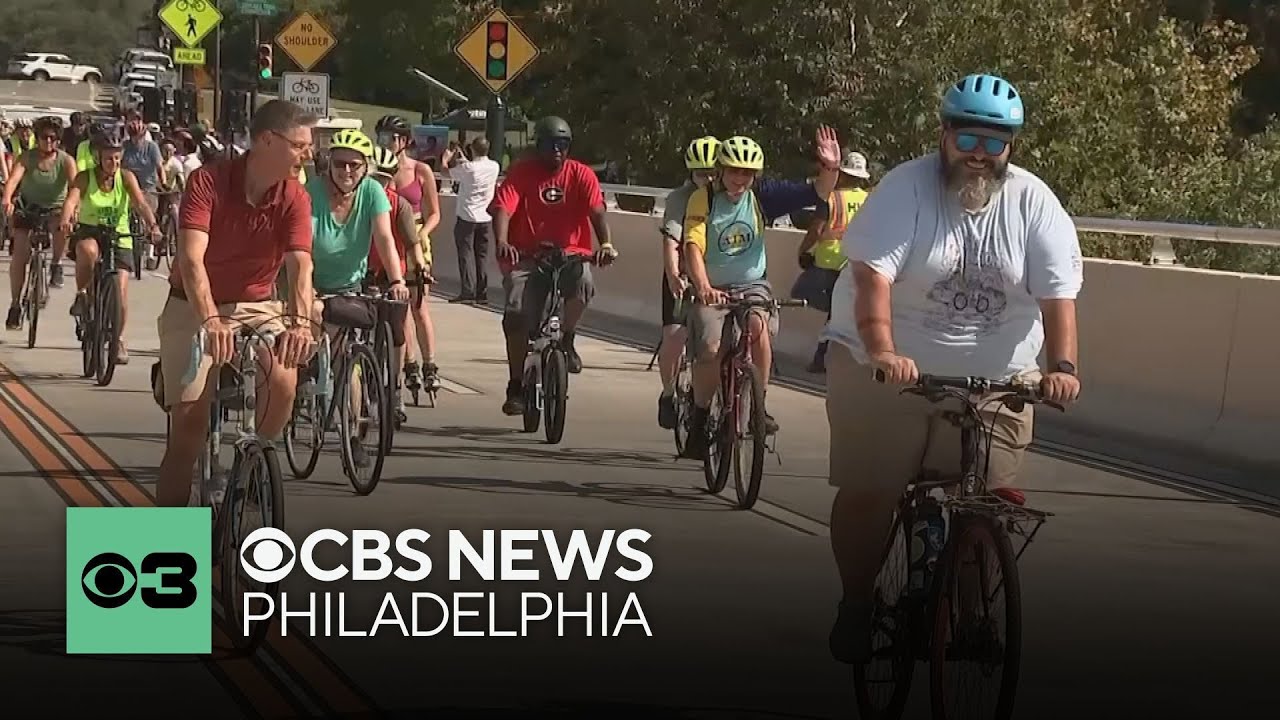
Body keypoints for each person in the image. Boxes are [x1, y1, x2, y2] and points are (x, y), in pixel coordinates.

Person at [821, 73, 1084, 664]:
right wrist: (883, 350)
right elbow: (872, 278)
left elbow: (1058, 295)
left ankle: (971, 611)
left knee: (987, 500)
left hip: (997, 373)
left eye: (995, 144)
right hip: (888, 366)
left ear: (1011, 146)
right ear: (943, 135)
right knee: (872, 490)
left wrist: (1062, 366)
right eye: (967, 140)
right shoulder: (905, 190)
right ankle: (858, 601)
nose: (979, 157)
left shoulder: (1033, 201)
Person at [154, 100, 319, 508]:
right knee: (187, 430)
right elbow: (191, 260)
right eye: (299, 145)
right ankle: (162, 550)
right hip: (194, 305)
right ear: (266, 141)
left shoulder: (295, 196)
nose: (309, 154)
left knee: (283, 378)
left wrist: (299, 323)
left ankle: (251, 463)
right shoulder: (208, 182)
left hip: (257, 304)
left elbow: (301, 267)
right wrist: (210, 319)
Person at [679, 128, 842, 458]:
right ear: (721, 171)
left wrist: (831, 167)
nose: (741, 179)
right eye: (735, 172)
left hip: (752, 283)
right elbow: (693, 244)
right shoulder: (704, 198)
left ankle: (758, 407)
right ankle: (699, 418)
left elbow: (820, 191)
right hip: (713, 286)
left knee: (759, 330)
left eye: (748, 173)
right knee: (711, 347)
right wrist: (704, 287)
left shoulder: (763, 195)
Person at [490, 115, 618, 416]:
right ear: (539, 146)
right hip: (528, 255)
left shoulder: (581, 174)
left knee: (584, 282)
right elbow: (502, 209)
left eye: (563, 145)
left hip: (571, 253)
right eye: (550, 145)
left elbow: (597, 212)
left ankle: (569, 337)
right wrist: (502, 241)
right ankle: (516, 384)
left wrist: (606, 245)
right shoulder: (522, 173)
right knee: (516, 314)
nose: (557, 151)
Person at [307, 129, 409, 467]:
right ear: (329, 165)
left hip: (349, 285)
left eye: (354, 165)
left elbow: (384, 238)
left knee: (347, 365)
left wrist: (396, 280)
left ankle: (351, 433)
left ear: (365, 167)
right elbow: (301, 247)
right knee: (307, 344)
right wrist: (304, 289)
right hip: (311, 282)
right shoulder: (312, 193)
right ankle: (301, 390)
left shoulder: (373, 192)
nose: (346, 171)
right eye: (340, 164)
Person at [60, 128, 162, 364]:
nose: (113, 162)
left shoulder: (126, 178)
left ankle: (118, 340)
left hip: (118, 234)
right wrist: (65, 220)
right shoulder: (85, 177)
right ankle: (83, 294)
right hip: (90, 230)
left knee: (121, 290)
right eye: (108, 158)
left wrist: (153, 225)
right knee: (88, 251)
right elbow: (71, 200)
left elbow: (140, 203)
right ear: (98, 157)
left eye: (117, 157)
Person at [366, 146, 437, 423]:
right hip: (366, 270)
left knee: (398, 329)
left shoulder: (399, 205)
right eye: (375, 179)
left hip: (395, 270)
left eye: (385, 180)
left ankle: (395, 388)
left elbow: (412, 243)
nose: (380, 185)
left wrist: (419, 269)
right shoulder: (356, 202)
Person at [656, 135, 720, 430]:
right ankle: (669, 393)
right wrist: (673, 276)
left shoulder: (725, 194)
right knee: (674, 336)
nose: (706, 178)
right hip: (683, 275)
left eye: (712, 172)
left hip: (717, 278)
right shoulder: (679, 198)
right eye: (700, 173)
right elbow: (672, 241)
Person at [793, 150, 872, 373]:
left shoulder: (832, 198)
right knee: (836, 311)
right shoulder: (868, 200)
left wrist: (803, 249)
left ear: (843, 174)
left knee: (800, 291)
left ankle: (822, 356)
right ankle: (823, 355)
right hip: (855, 263)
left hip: (828, 263)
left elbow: (816, 229)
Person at [2, 116, 78, 324]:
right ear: (37, 138)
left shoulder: (66, 160)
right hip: (29, 208)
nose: (49, 142)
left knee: (62, 225)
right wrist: (7, 199)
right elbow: (13, 180)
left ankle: (56, 263)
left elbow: (75, 186)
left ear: (59, 140)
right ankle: (16, 304)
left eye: (53, 138)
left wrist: (73, 208)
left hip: (55, 209)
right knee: (19, 254)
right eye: (44, 137)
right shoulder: (27, 157)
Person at [441, 136, 500, 304]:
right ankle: (482, 293)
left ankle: (467, 291)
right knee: (481, 257)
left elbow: (446, 172)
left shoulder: (468, 168)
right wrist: (464, 159)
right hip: (486, 217)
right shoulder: (494, 166)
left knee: (465, 255)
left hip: (467, 217)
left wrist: (445, 159)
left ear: (473, 149)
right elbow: (472, 169)